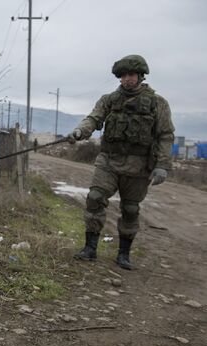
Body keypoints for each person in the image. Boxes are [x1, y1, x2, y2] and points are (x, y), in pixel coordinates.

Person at [67, 55, 175, 270]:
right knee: (95, 197)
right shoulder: (109, 99)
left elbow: (165, 135)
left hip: (139, 166)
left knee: (131, 209)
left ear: (140, 76)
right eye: (123, 75)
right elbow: (94, 118)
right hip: (109, 161)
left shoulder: (157, 103)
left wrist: (162, 166)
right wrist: (81, 131)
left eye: (131, 75)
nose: (127, 79)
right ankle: (90, 248)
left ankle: (123, 254)